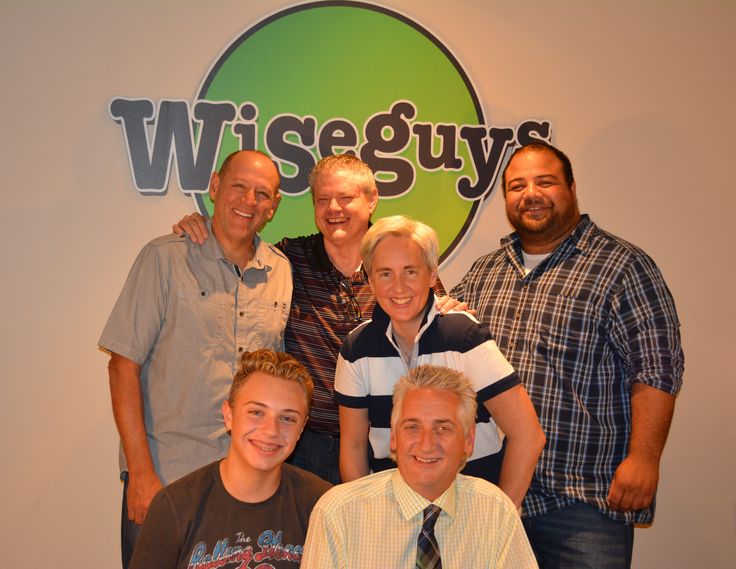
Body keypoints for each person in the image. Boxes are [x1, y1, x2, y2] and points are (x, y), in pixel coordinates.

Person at [450, 142, 684, 568]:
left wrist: (644, 458)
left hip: (582, 501)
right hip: (496, 494)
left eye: (545, 181)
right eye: (517, 186)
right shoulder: (484, 272)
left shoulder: (621, 266)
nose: (530, 194)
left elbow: (657, 368)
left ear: (572, 188)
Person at [174, 154, 451, 484]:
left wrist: (448, 311)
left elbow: (438, 325)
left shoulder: (402, 258)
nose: (334, 208)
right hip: (305, 447)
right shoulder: (286, 259)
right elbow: (235, 242)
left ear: (372, 200)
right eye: (323, 199)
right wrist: (200, 224)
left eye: (346, 197)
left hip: (387, 442)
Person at [99, 150, 291, 568]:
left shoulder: (281, 271)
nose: (248, 201)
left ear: (273, 207)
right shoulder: (164, 258)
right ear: (215, 186)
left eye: (262, 194)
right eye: (238, 186)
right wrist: (141, 474)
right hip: (167, 479)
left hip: (246, 487)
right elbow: (122, 366)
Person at [335, 215, 544, 508]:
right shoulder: (356, 348)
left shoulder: (464, 337)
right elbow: (354, 446)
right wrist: (364, 516)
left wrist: (501, 519)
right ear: (369, 279)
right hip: (393, 513)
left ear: (432, 275)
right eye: (385, 273)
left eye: (410, 272)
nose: (399, 287)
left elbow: (527, 435)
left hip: (471, 510)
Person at [301, 365, 538, 568]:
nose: (426, 445)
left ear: (468, 440)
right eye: (412, 427)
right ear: (393, 437)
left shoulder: (496, 512)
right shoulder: (338, 513)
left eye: (442, 428)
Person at [129, 350, 331, 569]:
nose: (271, 430)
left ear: (301, 429)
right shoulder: (174, 506)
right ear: (229, 415)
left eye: (288, 418)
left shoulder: (322, 505)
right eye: (256, 412)